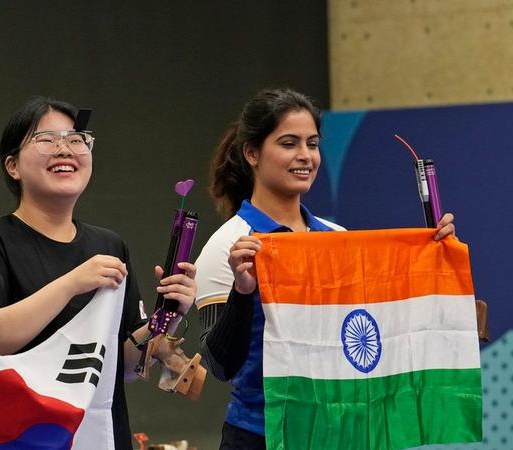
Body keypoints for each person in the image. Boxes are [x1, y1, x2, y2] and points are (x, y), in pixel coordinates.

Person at [0, 96, 198, 449]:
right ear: (12, 166)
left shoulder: (109, 245)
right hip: (18, 437)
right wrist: (71, 284)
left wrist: (167, 316)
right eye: (47, 139)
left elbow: (122, 367)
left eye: (77, 140)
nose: (65, 149)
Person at [193, 88, 456, 449]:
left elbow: (373, 334)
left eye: (312, 144)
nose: (305, 156)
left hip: (338, 435)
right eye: (289, 143)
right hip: (260, 437)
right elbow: (222, 367)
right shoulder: (228, 245)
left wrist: (434, 259)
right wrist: (242, 291)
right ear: (252, 153)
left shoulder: (337, 238)